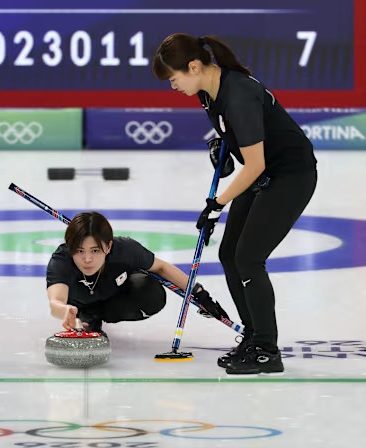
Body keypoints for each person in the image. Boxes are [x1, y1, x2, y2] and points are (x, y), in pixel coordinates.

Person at [153, 34, 317, 374]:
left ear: (194, 67)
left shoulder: (239, 94)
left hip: (289, 176)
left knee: (249, 258)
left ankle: (267, 351)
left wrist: (217, 204)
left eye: (173, 78)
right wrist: (223, 146)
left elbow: (255, 165)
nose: (173, 86)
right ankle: (253, 337)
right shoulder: (207, 92)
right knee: (229, 253)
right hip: (265, 173)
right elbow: (237, 134)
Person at [46, 211, 228, 336]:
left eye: (95, 251)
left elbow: (161, 268)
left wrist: (200, 294)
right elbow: (56, 301)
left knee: (150, 291)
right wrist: (66, 311)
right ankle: (87, 315)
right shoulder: (62, 260)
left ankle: (97, 314)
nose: (87, 259)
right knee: (77, 301)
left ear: (108, 247)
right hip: (79, 304)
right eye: (79, 251)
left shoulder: (125, 250)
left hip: (113, 298)